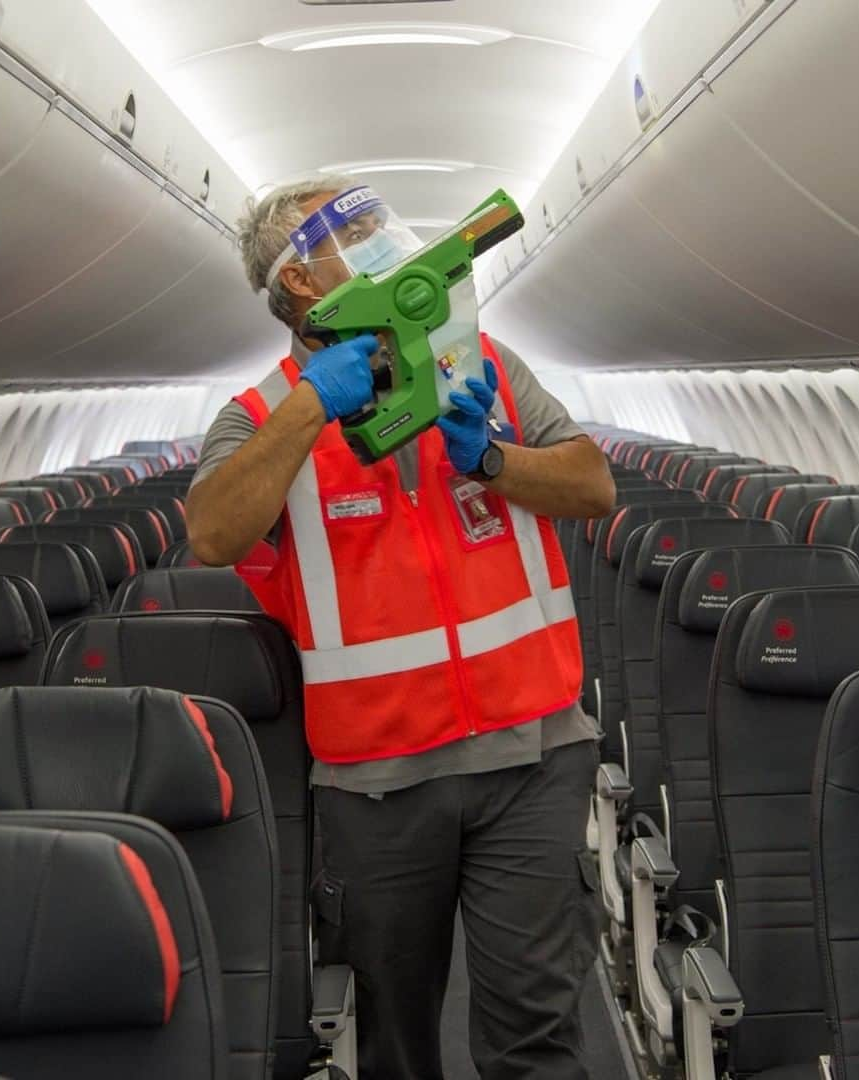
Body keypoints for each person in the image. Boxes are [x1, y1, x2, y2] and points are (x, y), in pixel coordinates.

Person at [186, 175, 616, 1079]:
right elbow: (214, 532)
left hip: (530, 754)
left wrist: (493, 458)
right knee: (396, 1044)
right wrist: (314, 401)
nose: (386, 241)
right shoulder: (261, 418)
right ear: (300, 282)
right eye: (358, 232)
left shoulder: (482, 362)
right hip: (377, 785)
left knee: (538, 1033)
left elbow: (592, 486)